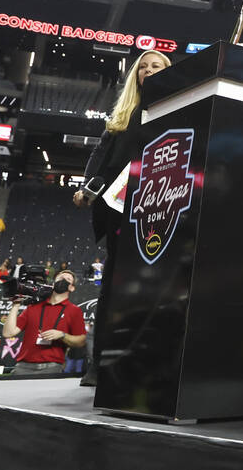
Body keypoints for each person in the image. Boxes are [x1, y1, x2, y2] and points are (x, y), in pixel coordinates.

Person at [72, 48, 171, 387]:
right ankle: (99, 366)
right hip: (118, 210)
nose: (149, 70)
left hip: (161, 210)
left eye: (157, 65)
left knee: (155, 286)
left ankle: (146, 362)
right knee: (115, 284)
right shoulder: (124, 115)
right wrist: (87, 188)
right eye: (143, 67)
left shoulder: (181, 109)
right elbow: (101, 154)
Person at [1, 270, 87, 376]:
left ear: (72, 288)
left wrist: (62, 335)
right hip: (23, 366)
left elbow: (81, 341)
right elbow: (8, 333)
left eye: (68, 279)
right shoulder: (33, 307)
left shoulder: (74, 311)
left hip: (52, 367)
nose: (63, 280)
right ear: (53, 283)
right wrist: (16, 305)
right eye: (60, 278)